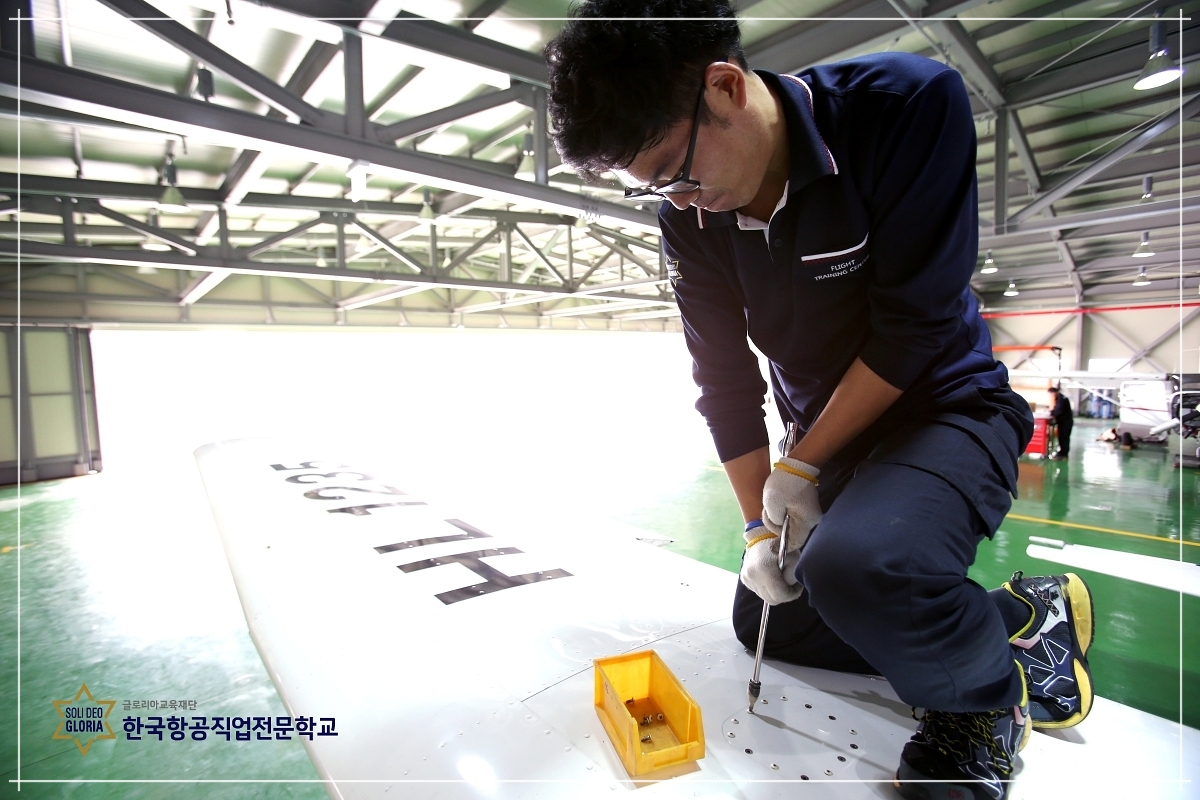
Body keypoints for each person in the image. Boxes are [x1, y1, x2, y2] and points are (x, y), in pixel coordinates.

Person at [545, 3, 1096, 797]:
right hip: (828, 443)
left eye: (676, 173)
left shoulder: (905, 107)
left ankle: (985, 701)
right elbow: (724, 383)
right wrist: (757, 528)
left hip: (946, 412)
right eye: (656, 192)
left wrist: (800, 466)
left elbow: (916, 326)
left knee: (858, 569)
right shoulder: (692, 222)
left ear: (725, 88)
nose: (681, 202)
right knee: (767, 618)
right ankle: (1017, 618)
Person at [1048, 386, 1074, 459]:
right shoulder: (1060, 398)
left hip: (1065, 423)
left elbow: (1059, 410)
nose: (1051, 396)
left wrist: (1051, 413)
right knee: (1062, 438)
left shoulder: (1061, 399)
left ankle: (1063, 454)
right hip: (1064, 422)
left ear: (1054, 392)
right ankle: (1062, 452)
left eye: (1051, 394)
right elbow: (1057, 409)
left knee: (1064, 438)